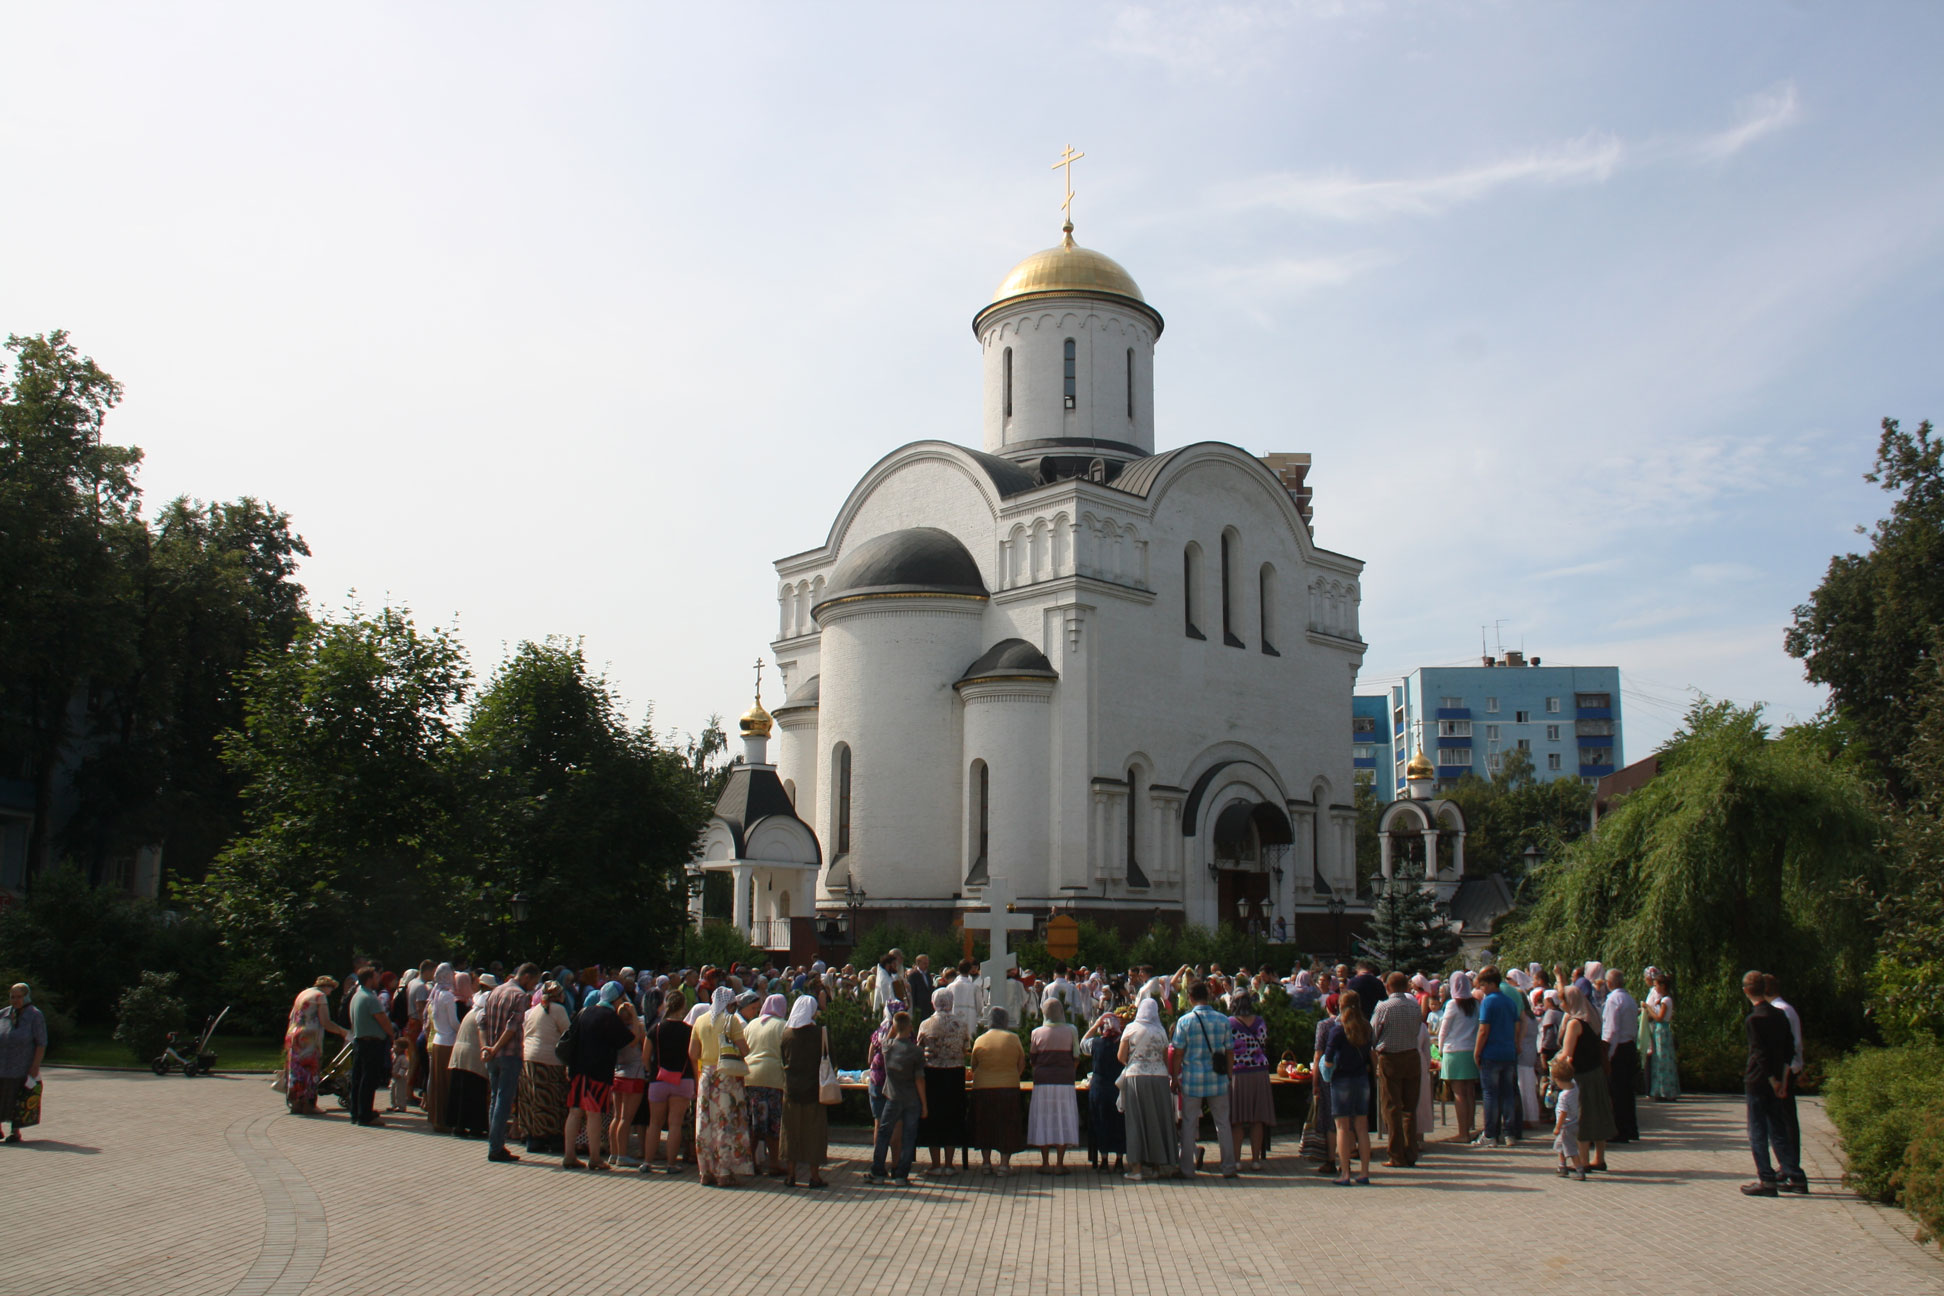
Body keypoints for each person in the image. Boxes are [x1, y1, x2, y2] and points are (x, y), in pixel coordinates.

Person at [1742, 971, 1804, 1196]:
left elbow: (1759, 1053)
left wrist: (1771, 1079)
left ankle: (1766, 1179)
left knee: (1757, 1130)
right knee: (1778, 1129)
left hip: (1759, 1080)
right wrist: (1783, 1080)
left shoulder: (1754, 1019)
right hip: (1779, 1078)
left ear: (1747, 990)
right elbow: (1789, 1049)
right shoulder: (1780, 1016)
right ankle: (1795, 1175)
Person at [561, 981, 635, 1170]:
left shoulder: (583, 1012)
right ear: (617, 998)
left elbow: (571, 1039)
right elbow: (627, 1040)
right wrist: (633, 1016)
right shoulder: (609, 1016)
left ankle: (569, 1155)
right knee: (593, 1114)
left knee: (575, 1112)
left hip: (578, 1070)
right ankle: (594, 1158)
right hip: (598, 1073)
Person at [1171, 980, 1237, 1179]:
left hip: (1192, 1079)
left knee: (1189, 1124)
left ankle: (1187, 1169)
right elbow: (1230, 1051)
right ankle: (1229, 1167)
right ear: (1208, 996)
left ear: (1190, 998)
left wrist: (1174, 1076)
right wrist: (1229, 1075)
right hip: (1218, 1078)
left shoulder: (1185, 1021)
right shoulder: (1223, 1020)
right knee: (1223, 1124)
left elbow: (1178, 1052)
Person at [690, 986, 754, 1188]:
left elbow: (693, 1052)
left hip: (707, 1075)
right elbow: (744, 1049)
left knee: (705, 1121)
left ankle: (705, 1170)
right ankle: (724, 1172)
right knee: (726, 1121)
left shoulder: (700, 1021)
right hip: (726, 1076)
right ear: (730, 1003)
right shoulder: (731, 1020)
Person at [480, 962, 539, 1163]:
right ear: (526, 977)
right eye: (534, 981)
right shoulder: (520, 996)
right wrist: (496, 1048)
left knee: (495, 1099)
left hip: (492, 1055)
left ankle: (494, 1144)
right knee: (503, 1102)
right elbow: (512, 1027)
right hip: (509, 1053)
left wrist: (486, 1048)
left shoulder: (495, 991)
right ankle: (496, 1148)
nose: (534, 986)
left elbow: (482, 1021)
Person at [917, 984, 972, 1177]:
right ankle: (949, 1164)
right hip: (955, 1074)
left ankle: (935, 1164)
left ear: (934, 1002)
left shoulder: (925, 1024)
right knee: (952, 1116)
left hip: (932, 1074)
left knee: (933, 1117)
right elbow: (966, 1047)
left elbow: (919, 1045)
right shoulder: (962, 1023)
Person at [1369, 971, 1424, 1166]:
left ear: (1388, 987)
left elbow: (1374, 1033)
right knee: (1409, 1107)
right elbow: (1418, 1028)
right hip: (1411, 1055)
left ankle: (1395, 1153)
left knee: (1391, 1107)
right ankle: (1411, 1151)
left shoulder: (1384, 1007)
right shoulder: (1414, 1005)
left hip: (1390, 1057)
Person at [1559, 985, 1615, 1172]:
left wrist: (1554, 1063)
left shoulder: (1574, 1023)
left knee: (1581, 1118)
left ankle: (1582, 1161)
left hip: (1581, 1076)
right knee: (1599, 1115)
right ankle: (1599, 1158)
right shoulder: (1592, 1017)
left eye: (1563, 1000)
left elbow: (1567, 1053)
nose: (1561, 1004)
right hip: (1596, 1072)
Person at [869, 1010, 928, 1185]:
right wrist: (924, 1104)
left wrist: (894, 1028)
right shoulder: (916, 1052)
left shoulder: (887, 1046)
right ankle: (901, 1174)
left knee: (884, 1133)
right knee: (909, 1136)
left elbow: (886, 1038)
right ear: (910, 1028)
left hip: (892, 1095)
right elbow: (919, 1079)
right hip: (911, 1098)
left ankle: (878, 1170)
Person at [1323, 988, 1373, 1185]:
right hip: (1361, 1078)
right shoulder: (1366, 1027)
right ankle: (1365, 1172)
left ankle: (1345, 1173)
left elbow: (1328, 1059)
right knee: (1362, 1126)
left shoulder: (1338, 1030)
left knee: (1342, 1127)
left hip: (1342, 1079)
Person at [1027, 997, 1082, 1176]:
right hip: (1065, 1080)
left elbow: (1033, 1059)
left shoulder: (1036, 1032)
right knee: (1063, 1117)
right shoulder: (1070, 1031)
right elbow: (1076, 1056)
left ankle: (1044, 1162)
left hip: (1043, 1081)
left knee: (1043, 1118)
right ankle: (1060, 1163)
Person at [780, 993, 830, 1188]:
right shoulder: (820, 1034)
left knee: (790, 1132)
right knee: (814, 1133)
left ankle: (790, 1174)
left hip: (791, 1089)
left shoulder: (786, 1034)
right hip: (814, 1089)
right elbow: (829, 1057)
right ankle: (814, 1176)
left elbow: (782, 1058)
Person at [970, 1006, 1026, 1176]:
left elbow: (973, 1066)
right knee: (1007, 1126)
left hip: (982, 1088)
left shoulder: (980, 1040)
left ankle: (986, 1163)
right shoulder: (1014, 1038)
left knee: (985, 1125)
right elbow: (1021, 1064)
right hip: (1008, 1087)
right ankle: (1003, 1165)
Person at [518, 980, 571, 1156]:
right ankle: (553, 1137)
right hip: (550, 1060)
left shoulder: (532, 1011)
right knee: (551, 1099)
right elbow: (567, 1033)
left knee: (532, 1099)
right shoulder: (559, 1010)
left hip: (529, 1058)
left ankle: (533, 1137)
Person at [281, 977, 348, 1116]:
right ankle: (309, 1104)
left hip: (293, 1034)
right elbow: (325, 1022)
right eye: (331, 989)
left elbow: (292, 1016)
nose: (330, 993)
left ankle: (296, 1103)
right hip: (309, 1037)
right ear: (327, 986)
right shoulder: (320, 996)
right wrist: (342, 1032)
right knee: (310, 1069)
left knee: (296, 1070)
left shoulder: (303, 994)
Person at [644, 990, 694, 1174]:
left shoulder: (655, 1029)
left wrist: (651, 1071)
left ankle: (648, 1162)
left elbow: (645, 1056)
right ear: (683, 1007)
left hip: (658, 1079)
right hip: (683, 1079)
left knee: (654, 1123)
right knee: (675, 1124)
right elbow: (694, 1056)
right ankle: (671, 1164)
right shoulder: (689, 1030)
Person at [1473, 965, 1523, 1147]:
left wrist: (1477, 1051)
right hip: (1508, 1051)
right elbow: (1517, 1025)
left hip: (1491, 1052)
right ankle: (1510, 1133)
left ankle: (1491, 1134)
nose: (1481, 989)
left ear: (1492, 984)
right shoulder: (1509, 1001)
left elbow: (1483, 1029)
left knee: (1490, 1095)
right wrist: (1516, 1044)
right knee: (1508, 1093)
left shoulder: (1488, 1001)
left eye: (1483, 985)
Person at [743, 993, 790, 1176]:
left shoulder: (752, 1024)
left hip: (750, 1076)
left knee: (754, 1122)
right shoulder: (782, 1025)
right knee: (773, 1123)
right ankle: (774, 1164)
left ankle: (750, 1162)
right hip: (772, 1078)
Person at [1226, 993, 1273, 1171]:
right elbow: (1264, 1042)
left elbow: (1226, 1048)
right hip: (1259, 1071)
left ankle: (1237, 1160)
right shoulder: (1260, 1021)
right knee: (1257, 1119)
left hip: (1238, 1072)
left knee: (1237, 1119)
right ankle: (1255, 1160)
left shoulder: (1229, 1023)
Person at [346, 967, 395, 1128]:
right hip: (372, 1043)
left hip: (360, 1040)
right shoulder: (370, 998)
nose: (379, 979)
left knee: (358, 1079)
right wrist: (391, 1034)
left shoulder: (356, 996)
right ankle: (365, 1115)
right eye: (376, 977)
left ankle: (356, 1112)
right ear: (369, 979)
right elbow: (382, 1019)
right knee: (369, 1080)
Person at [1080, 1006, 1127, 1173]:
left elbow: (1082, 1044)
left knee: (1101, 1122)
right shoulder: (1123, 1043)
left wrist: (1093, 1026)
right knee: (1119, 1123)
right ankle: (1120, 1159)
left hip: (1099, 1089)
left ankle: (1104, 1159)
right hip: (1118, 1088)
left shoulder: (1096, 1043)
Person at [0, 983, 48, 1143]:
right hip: (2, 1064)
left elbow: (41, 1042)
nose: (15, 1000)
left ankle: (15, 1132)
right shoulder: (4, 1014)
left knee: (16, 1099)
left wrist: (35, 1066)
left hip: (21, 1066)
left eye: (19, 996)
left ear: (26, 997)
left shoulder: (35, 1015)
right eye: (12, 997)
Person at [1438, 970, 1480, 1141]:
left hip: (1454, 1051)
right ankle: (1469, 1127)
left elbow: (1444, 1030)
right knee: (1469, 1092)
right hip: (1471, 1050)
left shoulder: (1452, 1004)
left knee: (1459, 1094)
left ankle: (1463, 1133)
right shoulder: (1476, 1004)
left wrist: (1440, 1050)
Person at [606, 994, 648, 1166]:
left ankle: (614, 1153)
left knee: (617, 1116)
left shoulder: (615, 1030)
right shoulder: (634, 1030)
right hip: (634, 1074)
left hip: (618, 1073)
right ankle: (622, 1155)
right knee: (626, 1118)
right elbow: (638, 1041)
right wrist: (636, 1016)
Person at [1601, 969, 1641, 1143]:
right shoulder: (1629, 999)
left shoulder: (1613, 1000)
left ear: (1609, 983)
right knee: (1627, 1092)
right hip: (1630, 1046)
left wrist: (1607, 1055)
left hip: (1618, 1048)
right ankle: (1631, 1128)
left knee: (1616, 1092)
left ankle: (1619, 1130)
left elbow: (1611, 1030)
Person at [445, 984, 489, 1138]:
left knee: (459, 1092)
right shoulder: (483, 1014)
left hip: (460, 1055)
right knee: (474, 1093)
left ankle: (458, 1126)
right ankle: (476, 1128)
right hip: (473, 1056)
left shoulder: (472, 1012)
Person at [424, 963, 459, 1133]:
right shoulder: (447, 996)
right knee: (446, 1083)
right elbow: (453, 1023)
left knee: (437, 1083)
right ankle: (444, 1120)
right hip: (448, 1042)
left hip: (437, 1040)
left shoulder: (435, 994)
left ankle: (435, 1117)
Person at [1309, 993, 1340, 1176]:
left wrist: (1314, 1081)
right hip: (1349, 1074)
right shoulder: (1353, 1023)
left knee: (1330, 1118)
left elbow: (1318, 1053)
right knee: (1348, 1119)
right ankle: (1347, 1158)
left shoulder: (1324, 1025)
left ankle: (1331, 1159)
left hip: (1327, 1075)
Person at [1644, 971, 1680, 1101]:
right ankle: (1660, 1090)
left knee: (1663, 1061)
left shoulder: (1666, 1000)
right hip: (1659, 1031)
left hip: (1662, 1030)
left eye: (1656, 985)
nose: (1655, 988)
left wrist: (1648, 1008)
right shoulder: (1663, 1000)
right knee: (1658, 1060)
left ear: (1663, 986)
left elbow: (1659, 1017)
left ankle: (1667, 1091)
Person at [1550, 1056, 1585, 1180]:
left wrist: (1557, 1127)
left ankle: (1580, 1170)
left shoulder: (1564, 1096)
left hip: (1566, 1126)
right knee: (1560, 1145)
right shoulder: (1574, 1086)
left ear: (1559, 1080)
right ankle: (1562, 1166)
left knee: (1570, 1149)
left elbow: (1563, 1113)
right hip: (1575, 1122)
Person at [388, 1034, 413, 1112]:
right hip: (393, 1077)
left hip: (400, 1078)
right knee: (392, 1091)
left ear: (401, 1048)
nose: (394, 1047)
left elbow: (404, 1067)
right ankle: (394, 1104)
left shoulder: (403, 1058)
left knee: (400, 1092)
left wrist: (400, 1074)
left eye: (396, 1046)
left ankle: (401, 1106)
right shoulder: (394, 1055)